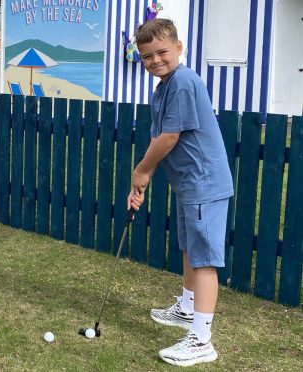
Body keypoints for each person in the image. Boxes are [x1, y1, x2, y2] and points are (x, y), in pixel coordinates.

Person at [127, 19, 233, 367]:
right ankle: (187, 310)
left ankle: (202, 340)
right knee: (190, 249)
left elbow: (170, 138)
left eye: (161, 52)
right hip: (189, 183)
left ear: (179, 48)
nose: (155, 60)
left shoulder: (183, 82)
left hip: (203, 181)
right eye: (146, 56)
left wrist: (142, 170)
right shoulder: (164, 86)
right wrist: (141, 181)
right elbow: (162, 141)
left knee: (203, 260)